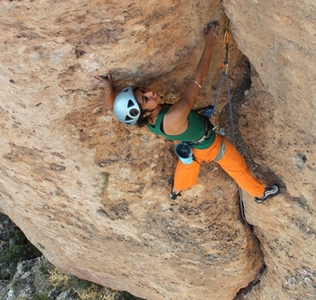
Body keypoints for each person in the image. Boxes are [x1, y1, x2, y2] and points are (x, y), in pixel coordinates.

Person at [91, 21, 280, 203]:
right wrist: (210, 42)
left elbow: (111, 108)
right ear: (145, 114)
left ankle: (177, 190)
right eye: (145, 99)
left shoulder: (144, 123)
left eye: (143, 91)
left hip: (187, 139)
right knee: (239, 169)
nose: (150, 93)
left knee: (188, 161)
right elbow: (199, 78)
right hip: (210, 146)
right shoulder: (174, 115)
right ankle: (260, 194)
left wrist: (108, 88)